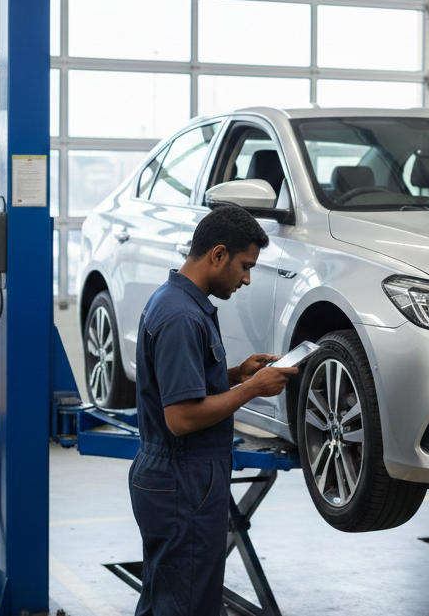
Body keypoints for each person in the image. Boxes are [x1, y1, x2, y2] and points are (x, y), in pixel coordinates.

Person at [128, 203, 300, 616]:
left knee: (170, 599)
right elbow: (181, 417)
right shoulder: (181, 316)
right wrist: (253, 390)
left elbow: (181, 384)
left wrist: (238, 374)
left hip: (180, 475)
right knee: (185, 605)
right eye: (245, 266)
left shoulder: (177, 302)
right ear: (218, 254)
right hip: (182, 478)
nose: (246, 279)